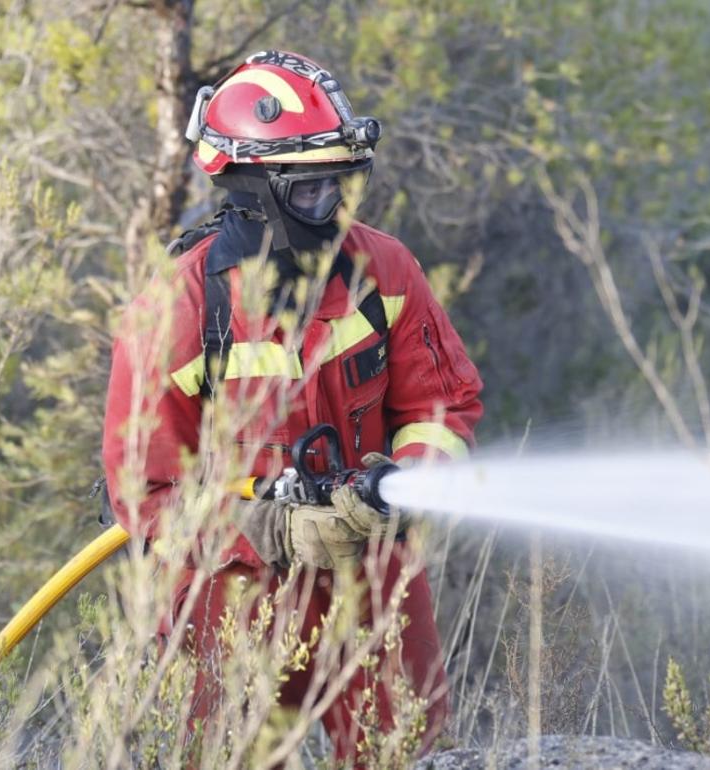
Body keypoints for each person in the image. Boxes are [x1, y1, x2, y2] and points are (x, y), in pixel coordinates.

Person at [101, 49, 483, 764]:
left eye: (339, 186)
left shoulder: (384, 271)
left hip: (371, 576)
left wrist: (401, 480)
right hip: (232, 597)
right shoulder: (177, 310)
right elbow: (143, 493)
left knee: (406, 753)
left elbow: (445, 402)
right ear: (251, 189)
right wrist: (266, 527)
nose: (331, 209)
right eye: (310, 192)